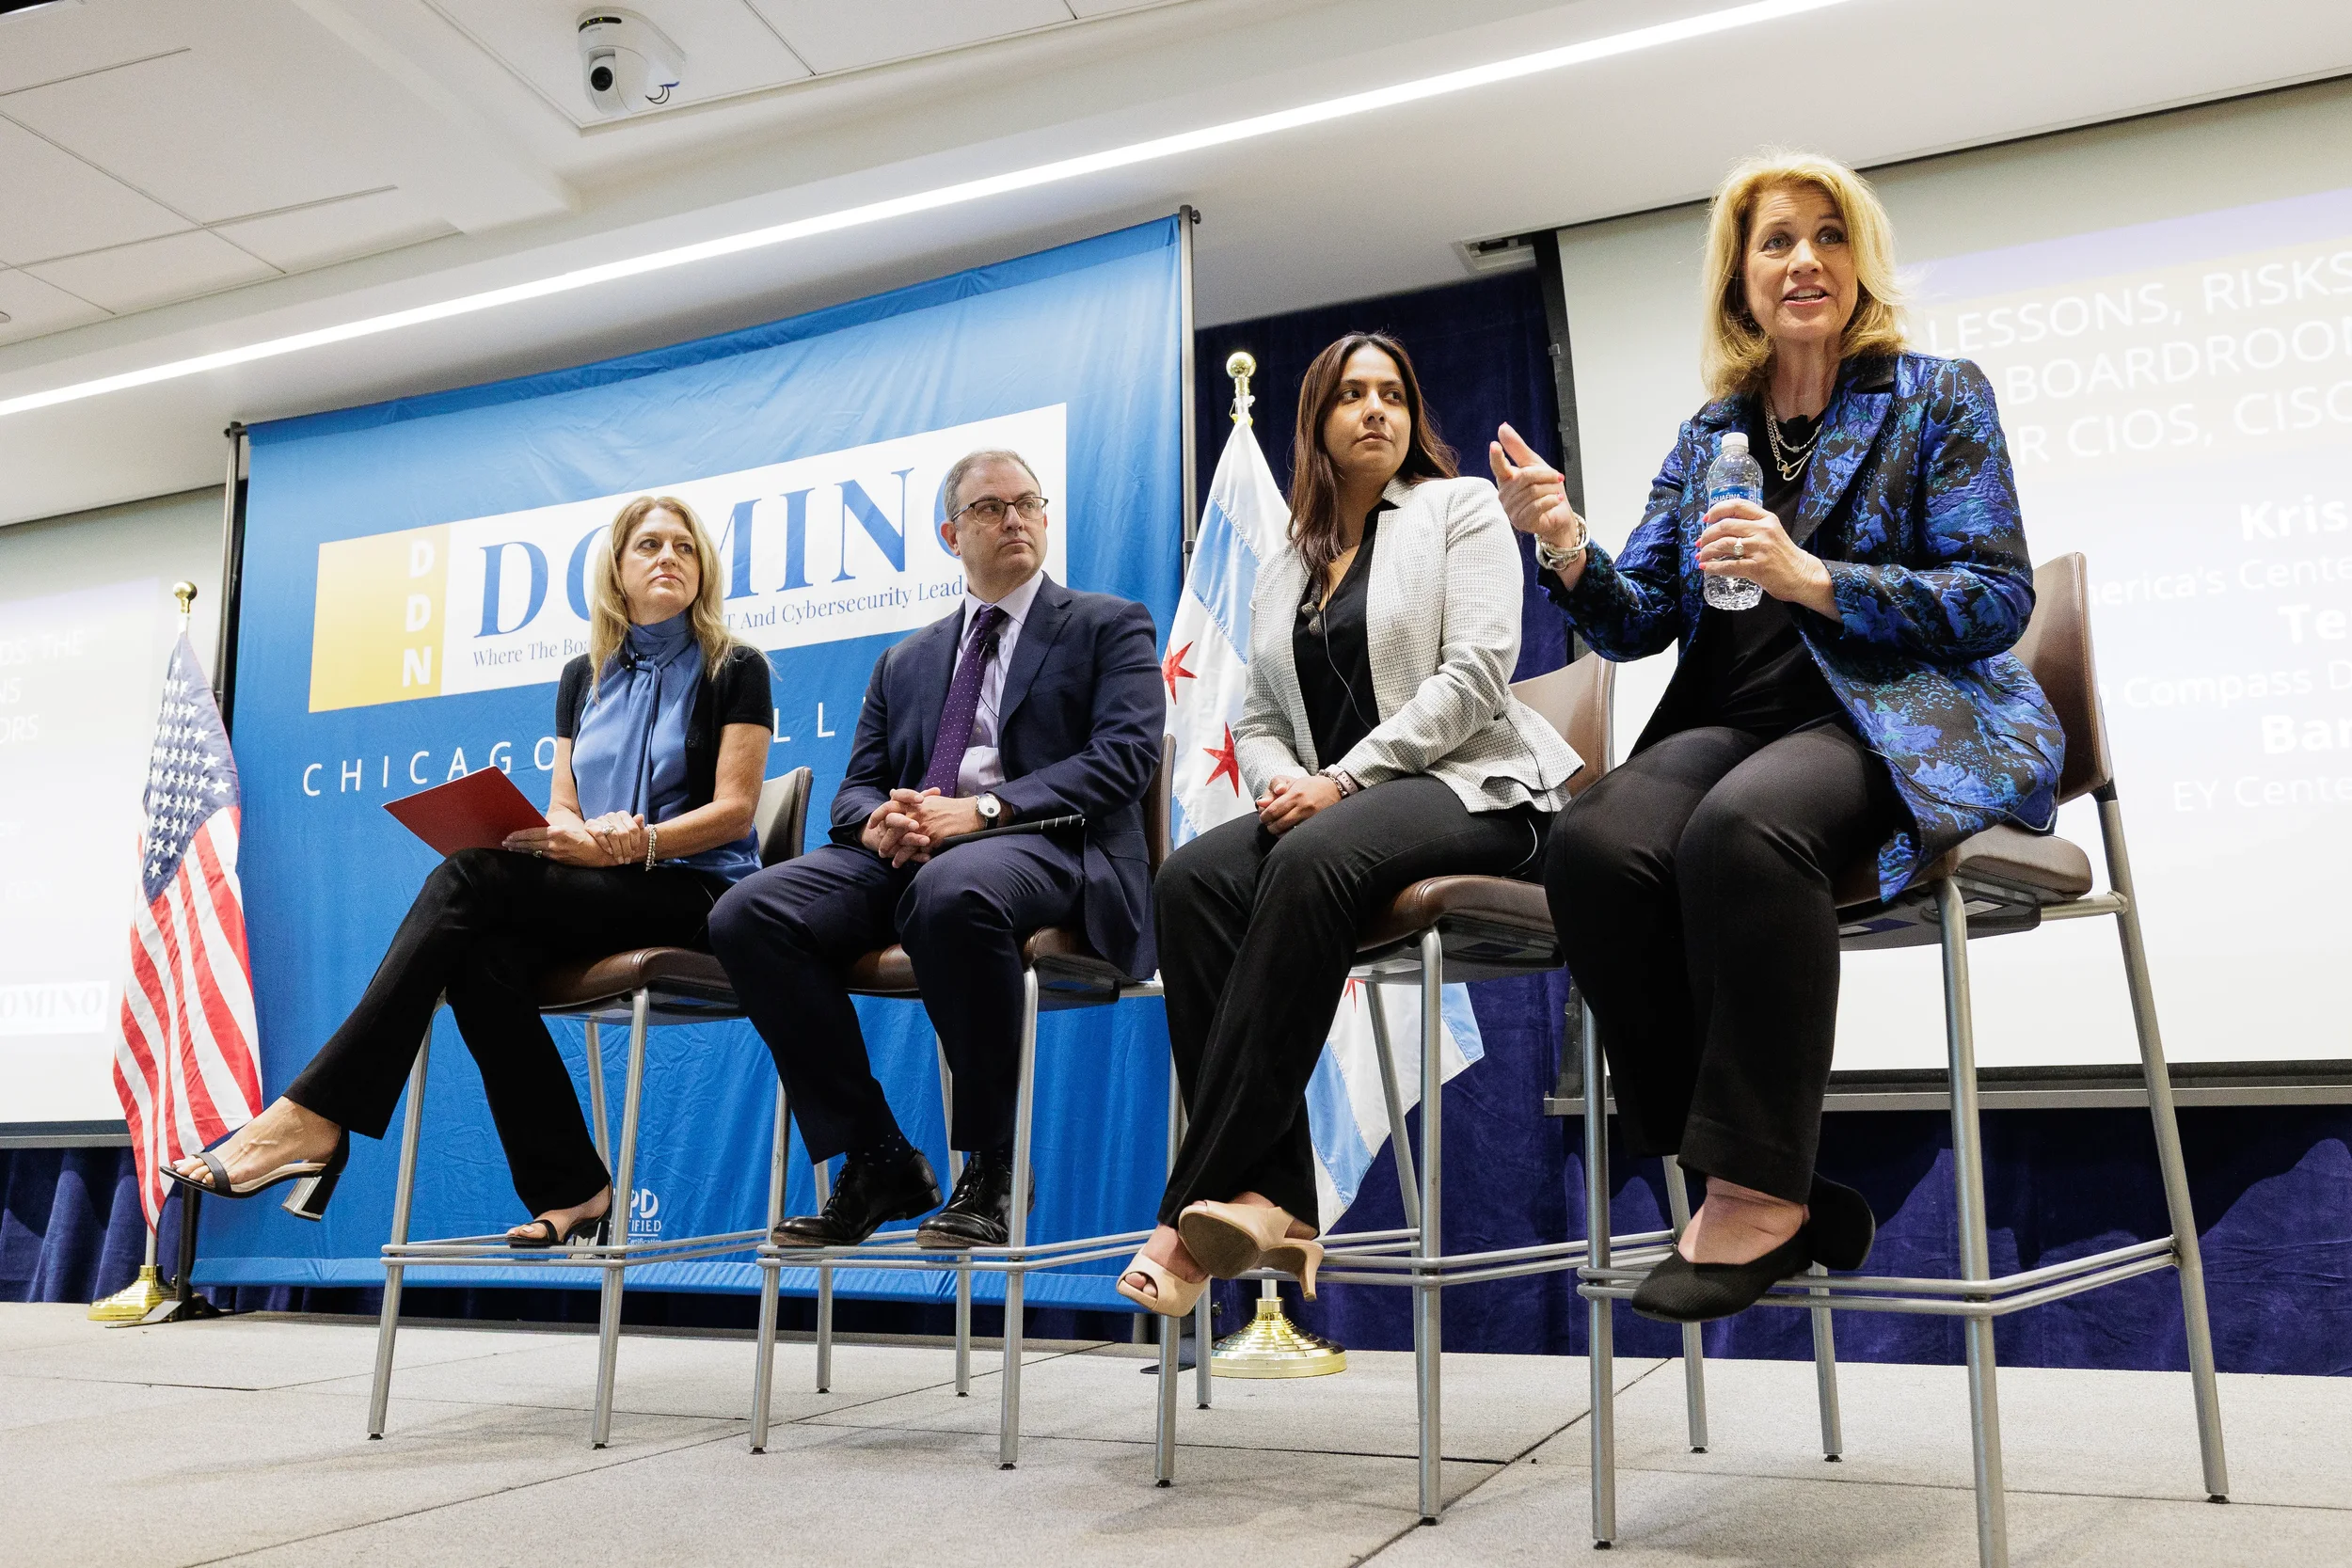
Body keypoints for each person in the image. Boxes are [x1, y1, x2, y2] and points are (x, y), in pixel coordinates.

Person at [1490, 151, 2064, 1322]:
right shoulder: (1713, 434)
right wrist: (1560, 540)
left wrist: (1818, 578)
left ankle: (1752, 1191)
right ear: (1739, 281)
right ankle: (1754, 1181)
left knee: (1741, 834)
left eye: (1827, 236)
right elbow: (1640, 613)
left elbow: (1995, 596)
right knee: (1594, 840)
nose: (1804, 259)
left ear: (1858, 264)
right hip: (1731, 715)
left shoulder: (1937, 395)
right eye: (1775, 242)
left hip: (1882, 714)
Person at [1118, 333, 1581, 1317]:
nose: (1376, 410)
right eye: (1352, 395)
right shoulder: (1286, 558)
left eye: (1393, 395)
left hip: (1479, 791)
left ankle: (1186, 1210)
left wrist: (1339, 780)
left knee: (1313, 856)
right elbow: (1254, 716)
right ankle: (1272, 1195)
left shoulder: (1457, 510)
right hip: (1341, 807)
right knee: (1189, 882)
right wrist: (1290, 781)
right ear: (1317, 421)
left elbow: (1476, 675)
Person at [167, 496, 774, 1246]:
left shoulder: (735, 666)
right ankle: (575, 1188)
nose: (670, 558)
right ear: (616, 570)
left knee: (466, 880)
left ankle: (313, 1115)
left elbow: (737, 814)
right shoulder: (582, 676)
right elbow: (564, 808)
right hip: (608, 888)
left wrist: (632, 843)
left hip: (698, 893)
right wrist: (561, 838)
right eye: (649, 544)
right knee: (479, 958)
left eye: (685, 547)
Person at [709, 449, 1162, 1251]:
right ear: (953, 534)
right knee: (749, 910)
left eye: (1028, 502)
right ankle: (878, 1153)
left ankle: (993, 1170)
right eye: (991, 508)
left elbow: (1126, 757)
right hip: (916, 856)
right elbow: (854, 790)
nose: (1015, 517)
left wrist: (982, 810)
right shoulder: (904, 660)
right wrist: (884, 819)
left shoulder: (1106, 623)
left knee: (953, 889)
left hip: (1051, 849)